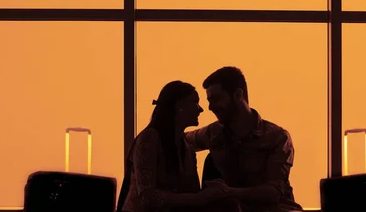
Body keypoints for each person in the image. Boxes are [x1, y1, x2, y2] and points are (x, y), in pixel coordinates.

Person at [185, 67, 304, 212]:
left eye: (216, 99)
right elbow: (178, 139)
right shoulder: (214, 133)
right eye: (209, 101)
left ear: (238, 94)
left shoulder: (278, 137)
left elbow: (273, 192)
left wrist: (228, 192)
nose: (210, 107)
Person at [118, 81, 238, 212]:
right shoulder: (149, 138)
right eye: (195, 102)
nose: (201, 109)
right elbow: (147, 197)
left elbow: (193, 193)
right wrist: (199, 198)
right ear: (179, 106)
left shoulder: (187, 147)